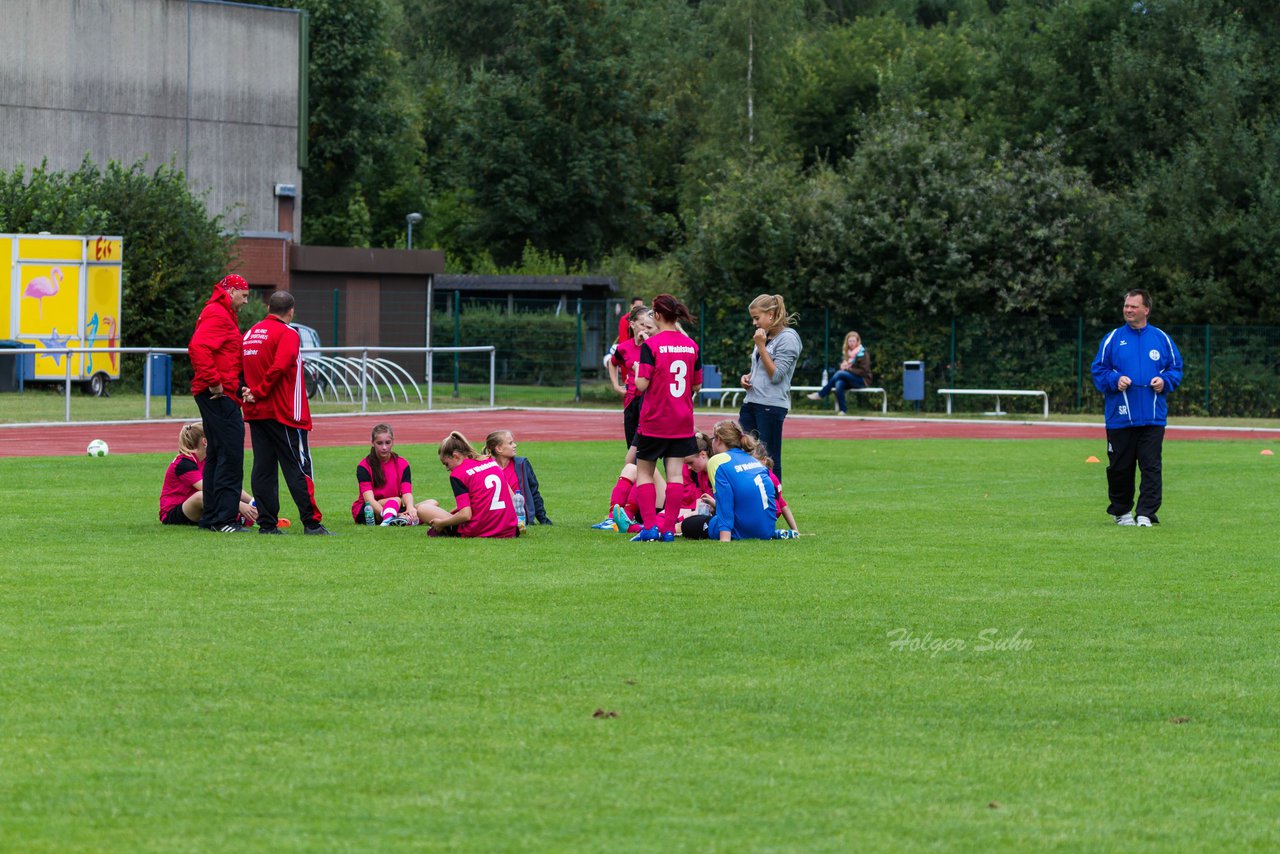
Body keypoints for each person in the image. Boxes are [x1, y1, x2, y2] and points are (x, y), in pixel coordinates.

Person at [242, 290, 332, 535]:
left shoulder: (250, 334)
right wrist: (259, 391)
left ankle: (267, 524)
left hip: (256, 412)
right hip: (284, 413)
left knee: (263, 468)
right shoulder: (289, 333)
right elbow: (281, 365)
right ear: (291, 311)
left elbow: (241, 368)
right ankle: (311, 523)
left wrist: (248, 391)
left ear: (267, 308)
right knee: (298, 467)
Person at [1090, 288, 1183, 527]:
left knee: (1151, 467)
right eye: (1126, 306)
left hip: (1153, 417)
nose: (1128, 310)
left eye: (1133, 306)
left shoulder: (1162, 339)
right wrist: (1115, 380)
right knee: (1121, 467)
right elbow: (1098, 370)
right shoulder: (1112, 339)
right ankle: (1121, 512)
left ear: (1146, 310)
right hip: (1120, 417)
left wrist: (1164, 382)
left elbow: (1175, 369)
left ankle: (1146, 513)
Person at [630, 293, 702, 542]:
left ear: (658, 315)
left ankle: (649, 527)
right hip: (682, 422)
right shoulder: (691, 345)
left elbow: (641, 385)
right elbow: (696, 386)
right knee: (674, 475)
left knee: (644, 473)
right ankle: (669, 529)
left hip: (655, 421)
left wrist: (637, 369)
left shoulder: (651, 345)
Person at [188, 273, 253, 533]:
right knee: (230, 455)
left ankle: (212, 517)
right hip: (217, 395)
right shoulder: (217, 313)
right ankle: (224, 520)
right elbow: (198, 347)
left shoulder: (218, 312)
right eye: (245, 295)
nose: (246, 301)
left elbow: (225, 356)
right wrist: (214, 382)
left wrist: (238, 386)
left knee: (216, 454)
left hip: (221, 392)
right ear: (233, 291)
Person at [738, 293, 802, 479]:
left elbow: (776, 375)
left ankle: (774, 504)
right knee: (746, 455)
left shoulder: (788, 338)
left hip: (771, 407)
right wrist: (748, 377)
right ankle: (753, 500)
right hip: (751, 402)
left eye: (756, 318)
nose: (754, 323)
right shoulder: (764, 337)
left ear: (771, 315)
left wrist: (761, 346)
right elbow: (761, 369)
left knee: (769, 458)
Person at [681, 420, 778, 542]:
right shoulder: (752, 459)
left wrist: (724, 538)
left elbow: (725, 502)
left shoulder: (717, 461)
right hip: (767, 530)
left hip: (742, 530)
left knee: (688, 525)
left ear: (719, 440)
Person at [419, 431, 519, 538]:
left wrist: (441, 523)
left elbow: (465, 515)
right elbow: (512, 498)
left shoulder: (458, 474)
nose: (447, 469)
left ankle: (444, 530)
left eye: (446, 464)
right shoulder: (490, 461)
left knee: (422, 509)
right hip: (509, 530)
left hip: (479, 530)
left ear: (456, 456)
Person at [158, 421, 257, 527]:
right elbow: (208, 490)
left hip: (198, 507)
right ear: (205, 441)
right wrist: (239, 505)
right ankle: (236, 518)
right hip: (173, 512)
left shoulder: (208, 460)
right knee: (202, 495)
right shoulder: (184, 463)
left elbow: (224, 485)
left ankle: (241, 517)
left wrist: (252, 501)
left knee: (222, 488)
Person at [353, 423, 418, 526]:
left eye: (388, 443)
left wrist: (410, 508)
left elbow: (406, 492)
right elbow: (369, 500)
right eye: (379, 443)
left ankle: (401, 517)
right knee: (396, 500)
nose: (384, 447)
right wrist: (389, 514)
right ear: (372, 443)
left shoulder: (402, 463)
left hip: (393, 506)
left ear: (393, 442)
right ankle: (393, 519)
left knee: (430, 504)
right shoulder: (364, 466)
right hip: (368, 510)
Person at [484, 429, 552, 525]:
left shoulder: (522, 464)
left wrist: (543, 519)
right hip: (495, 519)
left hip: (522, 520)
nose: (515, 445)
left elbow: (534, 492)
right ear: (499, 449)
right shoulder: (486, 468)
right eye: (510, 443)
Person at [807, 330, 872, 415]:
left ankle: (821, 394)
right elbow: (844, 368)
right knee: (839, 383)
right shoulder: (846, 353)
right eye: (850, 341)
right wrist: (843, 366)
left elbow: (864, 371)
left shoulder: (863, 353)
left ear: (857, 341)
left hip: (862, 380)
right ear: (847, 342)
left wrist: (848, 369)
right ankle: (843, 410)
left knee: (839, 373)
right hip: (850, 379)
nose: (851, 343)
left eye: (853, 341)